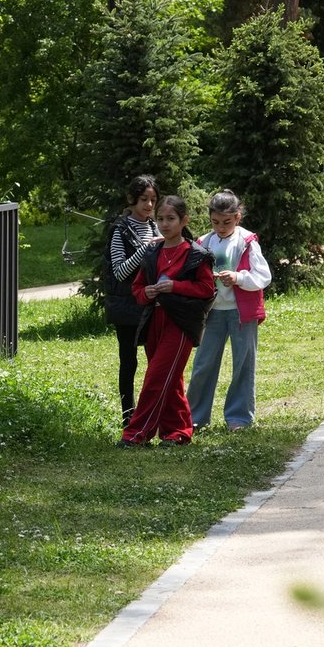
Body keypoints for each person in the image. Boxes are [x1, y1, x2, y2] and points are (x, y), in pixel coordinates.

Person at [121, 196, 217, 447]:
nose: (165, 224)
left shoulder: (196, 255)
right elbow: (137, 288)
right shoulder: (152, 252)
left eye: (171, 219)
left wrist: (175, 286)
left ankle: (136, 434)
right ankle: (178, 432)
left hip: (181, 323)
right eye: (160, 219)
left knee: (156, 377)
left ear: (184, 220)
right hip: (154, 320)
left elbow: (207, 289)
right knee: (169, 378)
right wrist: (147, 292)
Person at [187, 190, 272, 432]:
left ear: (237, 217)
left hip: (241, 312)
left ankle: (239, 418)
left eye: (226, 222)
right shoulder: (204, 242)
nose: (221, 228)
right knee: (203, 364)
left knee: (243, 364)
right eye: (215, 222)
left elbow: (263, 276)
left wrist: (238, 278)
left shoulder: (247, 242)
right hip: (212, 312)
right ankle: (195, 417)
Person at [104, 175, 161, 426]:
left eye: (153, 200)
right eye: (144, 200)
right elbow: (120, 271)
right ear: (131, 199)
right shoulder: (119, 230)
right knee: (129, 362)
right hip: (127, 307)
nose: (149, 205)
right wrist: (145, 250)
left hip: (152, 305)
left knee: (156, 361)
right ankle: (128, 416)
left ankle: (154, 412)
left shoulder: (156, 227)